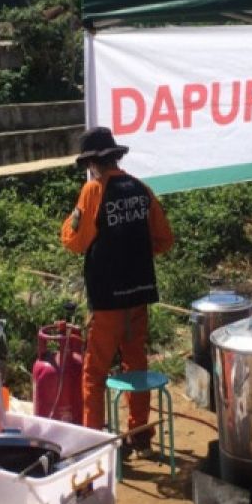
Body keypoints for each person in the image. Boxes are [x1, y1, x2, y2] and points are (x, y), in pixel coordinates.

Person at [60, 127, 174, 455]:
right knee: (135, 365)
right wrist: (134, 253)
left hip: (107, 299)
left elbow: (74, 241)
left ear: (93, 162)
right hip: (139, 295)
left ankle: (93, 443)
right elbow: (164, 239)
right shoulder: (141, 189)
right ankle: (140, 437)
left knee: (94, 373)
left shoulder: (93, 191)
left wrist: (71, 224)